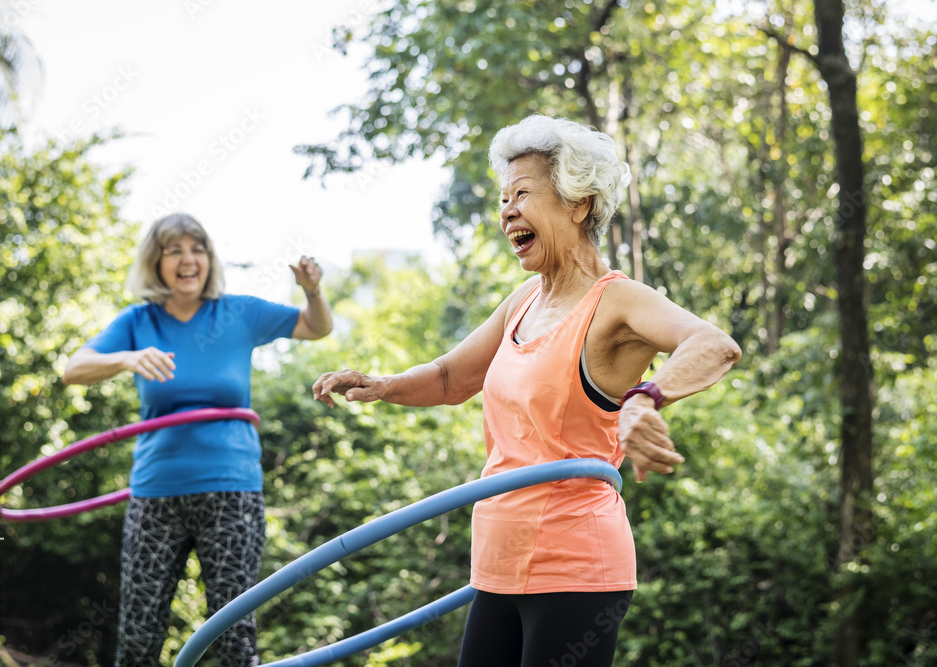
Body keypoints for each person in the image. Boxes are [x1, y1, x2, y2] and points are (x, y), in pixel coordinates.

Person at [312, 114, 742, 666]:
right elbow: (450, 378)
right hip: (495, 564)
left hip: (575, 566)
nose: (506, 211)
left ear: (578, 202)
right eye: (502, 199)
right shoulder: (524, 300)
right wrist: (382, 384)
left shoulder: (617, 301)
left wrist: (646, 398)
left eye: (522, 194)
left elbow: (714, 344)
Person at [62, 213, 333, 667]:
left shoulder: (238, 312)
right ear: (157, 261)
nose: (188, 260)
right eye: (175, 250)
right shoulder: (138, 322)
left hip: (232, 493)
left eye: (198, 249)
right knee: (138, 635)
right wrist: (127, 358)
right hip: (155, 494)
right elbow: (73, 368)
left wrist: (312, 290)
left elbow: (316, 326)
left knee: (232, 637)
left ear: (209, 259)